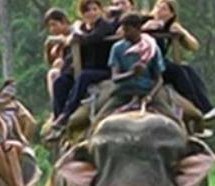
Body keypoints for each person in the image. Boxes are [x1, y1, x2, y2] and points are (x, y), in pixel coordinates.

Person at [143, 0, 215, 121]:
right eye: (158, 7)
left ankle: (208, 107)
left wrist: (182, 33)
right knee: (178, 72)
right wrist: (144, 28)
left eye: (164, 9)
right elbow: (125, 31)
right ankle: (197, 105)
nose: (159, 11)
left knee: (188, 69)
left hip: (161, 62)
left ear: (171, 14)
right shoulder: (145, 21)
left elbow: (194, 46)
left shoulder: (170, 26)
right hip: (148, 63)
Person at [48, 0, 119, 136]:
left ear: (100, 10)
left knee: (83, 76)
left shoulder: (104, 26)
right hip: (85, 68)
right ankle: (58, 119)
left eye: (94, 9)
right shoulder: (83, 28)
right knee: (60, 82)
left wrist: (76, 38)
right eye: (87, 10)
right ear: (82, 14)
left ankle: (68, 113)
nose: (92, 13)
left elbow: (95, 37)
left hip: (103, 69)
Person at [109, 12, 165, 103]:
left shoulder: (152, 47)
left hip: (147, 91)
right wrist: (132, 73)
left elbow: (159, 79)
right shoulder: (117, 48)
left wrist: (150, 96)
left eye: (127, 30)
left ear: (138, 29)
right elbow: (115, 77)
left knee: (170, 115)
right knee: (101, 116)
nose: (124, 33)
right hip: (123, 92)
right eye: (123, 30)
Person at [44, 8, 75, 105]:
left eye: (54, 25)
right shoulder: (55, 42)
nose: (52, 29)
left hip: (74, 69)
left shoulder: (75, 30)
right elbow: (50, 62)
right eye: (50, 26)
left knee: (53, 74)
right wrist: (48, 47)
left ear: (64, 21)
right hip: (63, 72)